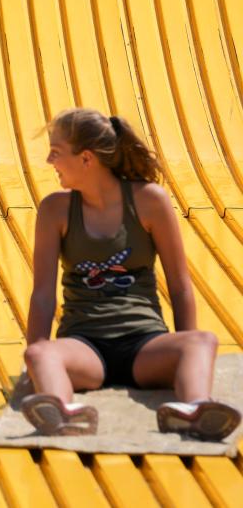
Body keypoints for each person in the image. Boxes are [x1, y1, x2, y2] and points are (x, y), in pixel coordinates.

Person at [20, 108, 240, 440]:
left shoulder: (150, 201)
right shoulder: (55, 209)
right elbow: (42, 295)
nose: (49, 160)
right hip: (84, 348)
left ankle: (194, 409)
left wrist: (183, 352)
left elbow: (180, 286)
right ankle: (61, 411)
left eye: (56, 152)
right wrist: (32, 362)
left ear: (87, 159)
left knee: (202, 341)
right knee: (39, 352)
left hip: (145, 345)